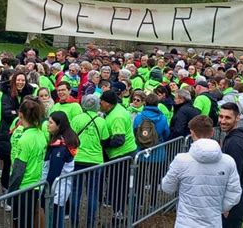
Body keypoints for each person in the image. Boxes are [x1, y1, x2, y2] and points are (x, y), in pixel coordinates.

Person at [161, 115, 242, 227]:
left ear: (192, 133)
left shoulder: (181, 160)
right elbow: (234, 192)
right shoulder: (228, 161)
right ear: (212, 132)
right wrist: (220, 208)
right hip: (213, 222)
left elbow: (167, 187)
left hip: (185, 223)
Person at [70, 94, 109, 227]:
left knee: (75, 191)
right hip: (96, 160)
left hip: (78, 159)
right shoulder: (102, 121)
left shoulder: (76, 119)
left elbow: (71, 138)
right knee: (92, 192)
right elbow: (105, 140)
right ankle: (90, 223)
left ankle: (74, 222)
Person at [8, 97, 47, 228]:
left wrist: (10, 192)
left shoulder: (24, 139)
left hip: (23, 188)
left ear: (20, 115)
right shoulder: (40, 134)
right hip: (36, 185)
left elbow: (18, 170)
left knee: (21, 223)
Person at [99, 90, 137, 225]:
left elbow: (119, 140)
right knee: (120, 185)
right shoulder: (114, 110)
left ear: (107, 103)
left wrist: (103, 143)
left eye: (101, 101)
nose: (99, 103)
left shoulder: (117, 117)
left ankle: (119, 214)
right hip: (122, 154)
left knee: (119, 186)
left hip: (122, 155)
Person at [219, 103, 243, 228]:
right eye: (221, 116)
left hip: (234, 204)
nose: (223, 121)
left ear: (237, 118)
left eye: (228, 118)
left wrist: (227, 205)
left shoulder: (235, 143)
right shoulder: (233, 138)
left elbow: (234, 177)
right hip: (236, 200)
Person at [0, 71, 34, 194]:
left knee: (20, 164)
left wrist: (16, 112)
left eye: (23, 80)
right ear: (14, 81)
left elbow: (31, 111)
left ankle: (16, 190)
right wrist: (21, 113)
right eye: (18, 80)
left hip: (24, 133)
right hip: (8, 132)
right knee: (8, 163)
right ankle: (5, 190)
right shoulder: (6, 93)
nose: (20, 82)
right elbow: (6, 113)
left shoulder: (29, 92)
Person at [42, 111, 79, 228]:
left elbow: (53, 172)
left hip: (55, 192)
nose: (47, 124)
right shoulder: (62, 140)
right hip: (59, 190)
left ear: (59, 125)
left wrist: (44, 194)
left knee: (54, 221)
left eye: (51, 122)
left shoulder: (60, 147)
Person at [133, 93, 170, 209]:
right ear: (157, 104)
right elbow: (166, 133)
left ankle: (138, 202)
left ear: (145, 103)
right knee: (155, 180)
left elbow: (135, 131)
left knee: (139, 180)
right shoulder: (162, 117)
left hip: (141, 152)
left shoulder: (139, 117)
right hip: (158, 151)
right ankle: (153, 204)